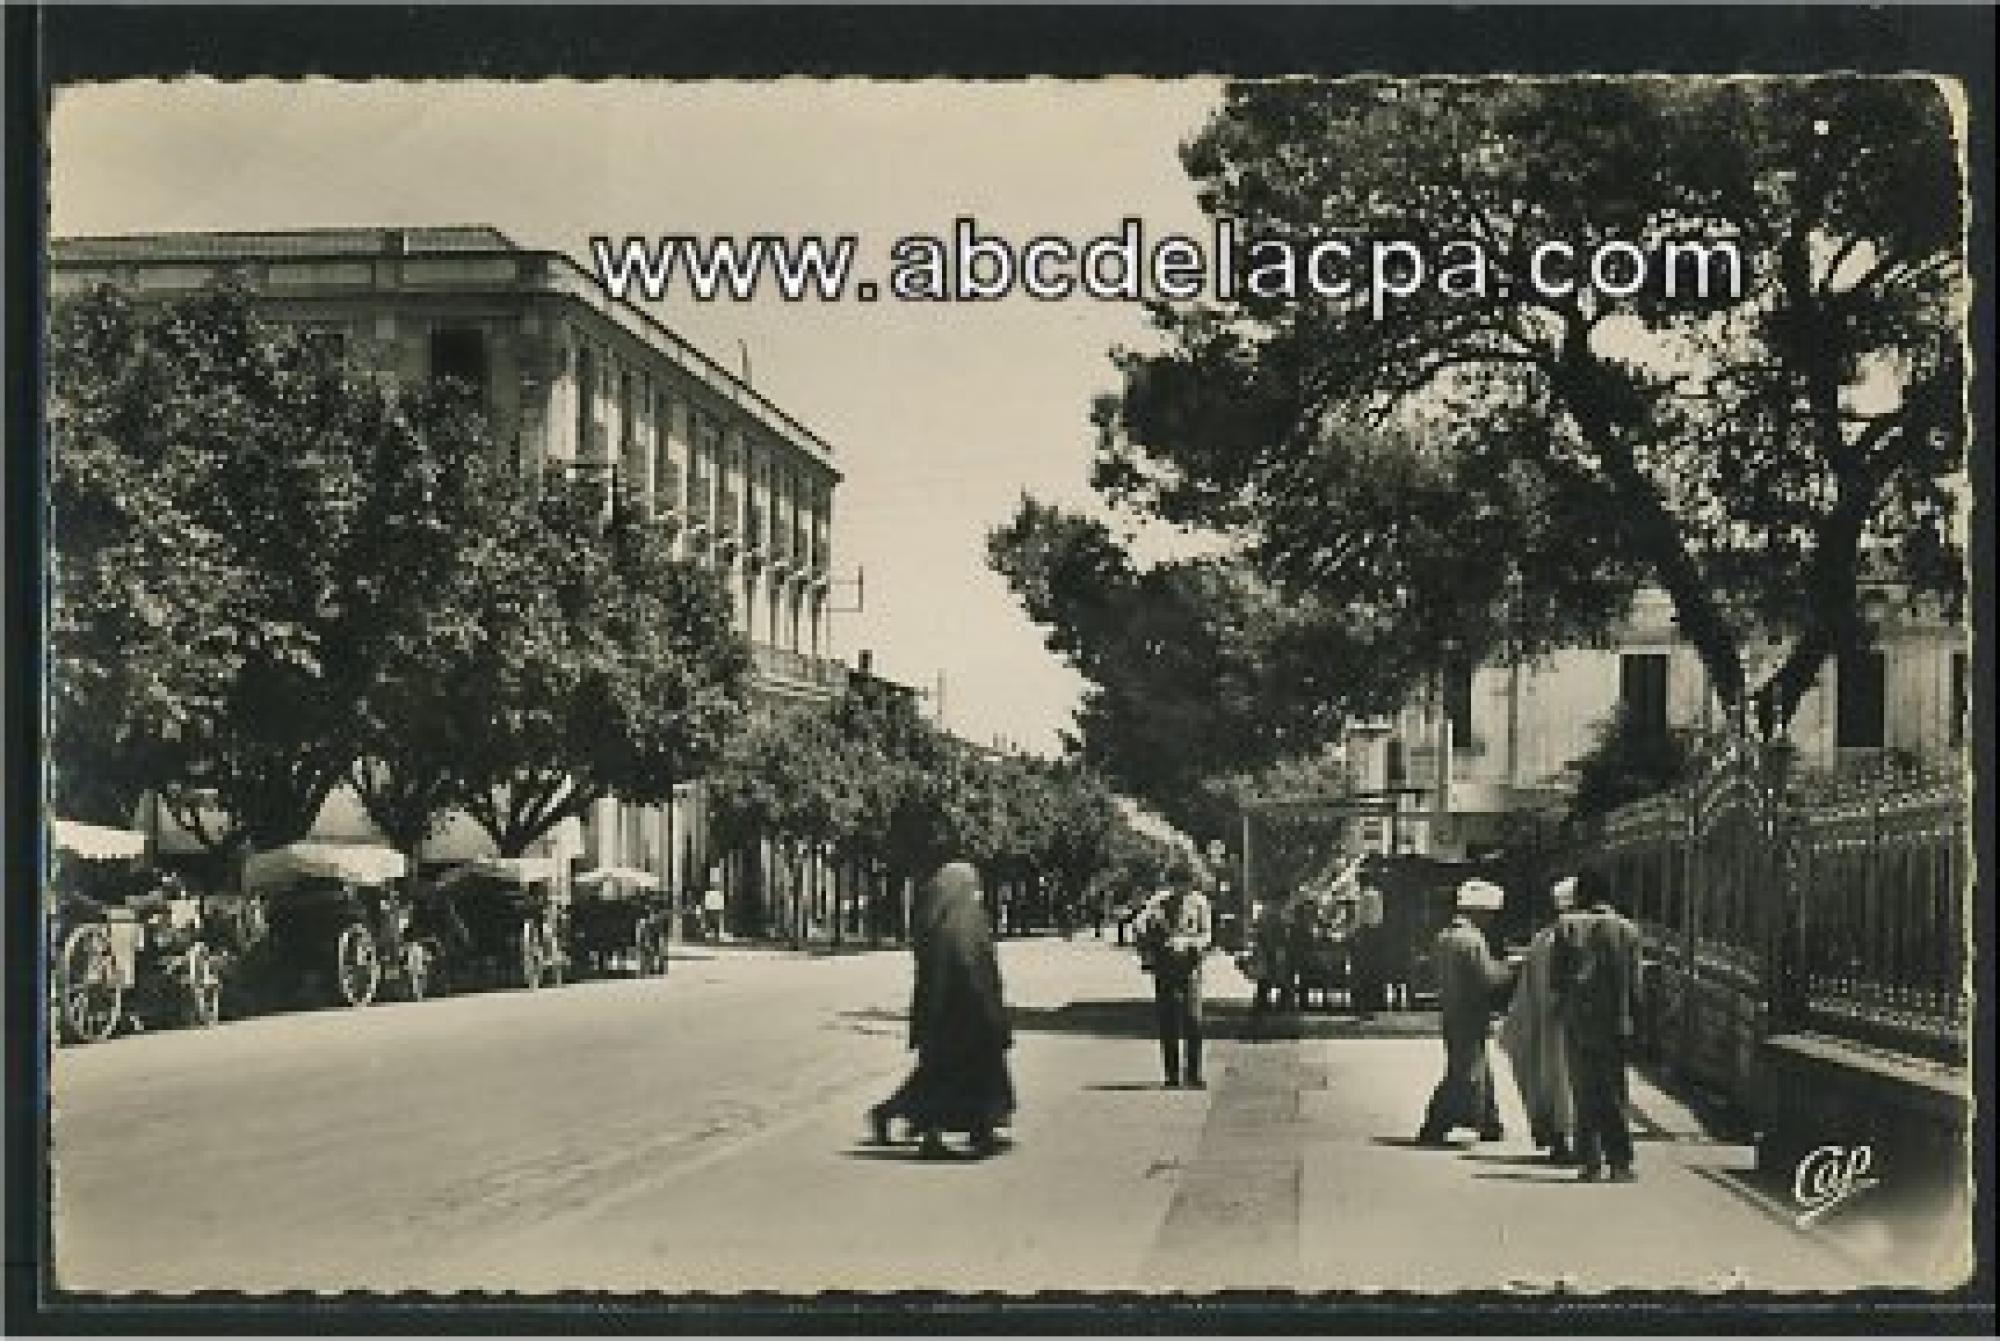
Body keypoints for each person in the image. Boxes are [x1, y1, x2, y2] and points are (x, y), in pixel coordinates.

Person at [868, 861, 1016, 1158]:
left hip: (954, 1013)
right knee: (946, 1079)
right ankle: (930, 1133)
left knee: (959, 1075)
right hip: (963, 1014)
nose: (977, 891)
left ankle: (980, 1130)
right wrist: (989, 1011)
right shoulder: (962, 921)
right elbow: (971, 968)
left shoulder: (940, 920)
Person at [1551, 867, 1643, 1183]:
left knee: (1583, 1091)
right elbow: (1636, 987)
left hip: (1577, 1021)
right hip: (1615, 1024)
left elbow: (1556, 981)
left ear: (1580, 895)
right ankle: (1619, 1163)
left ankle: (1589, 1163)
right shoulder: (1628, 931)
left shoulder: (1566, 927)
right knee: (1614, 1091)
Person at [1416, 880, 1508, 1145]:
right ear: (1479, 912)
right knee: (1465, 1074)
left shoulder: (1444, 937)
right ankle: (1436, 1124)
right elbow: (1489, 979)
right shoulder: (1473, 941)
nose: (1491, 921)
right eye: (1490, 914)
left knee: (1475, 1067)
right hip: (1470, 1012)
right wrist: (1510, 968)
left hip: (1452, 1010)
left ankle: (1489, 1122)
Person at [1498, 875, 1578, 1164]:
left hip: (1544, 1022)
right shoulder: (1573, 937)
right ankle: (1572, 1142)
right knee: (1570, 1082)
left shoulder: (1542, 939)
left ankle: (1557, 1138)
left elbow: (1525, 990)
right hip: (1570, 1023)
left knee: (1551, 1079)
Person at [1135, 865, 1213, 1088]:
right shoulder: (1158, 902)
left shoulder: (1200, 903)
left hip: (1189, 966)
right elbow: (1140, 924)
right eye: (1176, 884)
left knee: (1193, 1019)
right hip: (1165, 965)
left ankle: (1194, 1073)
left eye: (1185, 885)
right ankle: (1171, 1074)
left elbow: (1207, 934)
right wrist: (1148, 933)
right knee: (1168, 1019)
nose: (1181, 890)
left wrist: (1189, 943)